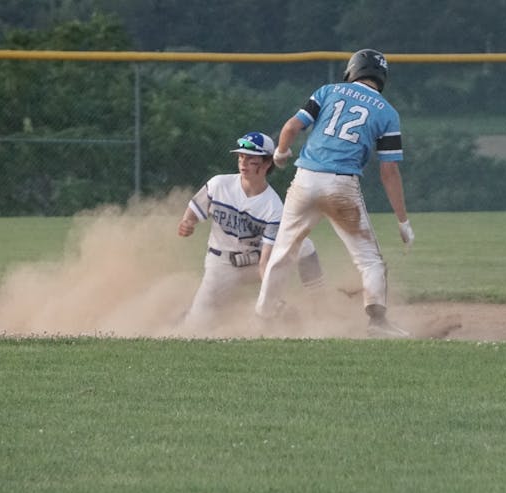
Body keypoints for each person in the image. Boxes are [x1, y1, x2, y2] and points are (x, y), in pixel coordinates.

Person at [254, 48, 415, 338]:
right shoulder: (388, 113)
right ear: (381, 78)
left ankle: (263, 317)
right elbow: (389, 171)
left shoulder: (328, 91)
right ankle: (377, 322)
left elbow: (291, 127)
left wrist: (279, 154)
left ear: (352, 70)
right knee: (369, 260)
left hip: (304, 180)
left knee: (283, 253)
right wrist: (403, 221)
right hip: (342, 185)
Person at [177, 131, 324, 331]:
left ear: (266, 164)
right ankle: (189, 315)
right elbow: (193, 213)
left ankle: (319, 300)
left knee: (303, 244)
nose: (243, 163)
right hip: (222, 264)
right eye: (241, 157)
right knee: (196, 326)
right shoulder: (219, 184)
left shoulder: (273, 207)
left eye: (251, 159)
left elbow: (265, 262)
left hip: (255, 261)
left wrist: (271, 297)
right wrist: (187, 223)